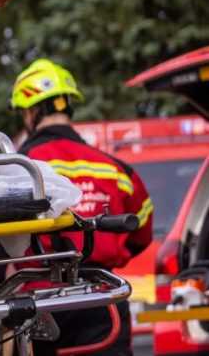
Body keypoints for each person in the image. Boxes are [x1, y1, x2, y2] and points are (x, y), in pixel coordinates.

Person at [11, 58, 153, 355]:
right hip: (103, 299)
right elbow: (140, 231)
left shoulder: (17, 169)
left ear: (31, 112)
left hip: (43, 302)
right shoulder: (115, 168)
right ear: (68, 106)